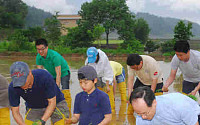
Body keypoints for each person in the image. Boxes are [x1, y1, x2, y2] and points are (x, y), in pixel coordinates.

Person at [130, 86, 200, 125]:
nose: (143, 117)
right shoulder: (141, 118)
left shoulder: (179, 105)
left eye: (145, 113)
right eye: (138, 114)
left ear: (154, 102)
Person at [35, 38, 72, 112]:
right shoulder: (38, 57)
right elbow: (40, 73)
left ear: (47, 47)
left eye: (42, 49)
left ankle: (67, 112)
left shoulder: (55, 56)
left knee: (65, 91)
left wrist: (57, 87)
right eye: (38, 49)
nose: (40, 51)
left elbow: (58, 73)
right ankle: (55, 108)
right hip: (52, 75)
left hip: (64, 72)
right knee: (51, 91)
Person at [85, 47, 115, 112]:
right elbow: (87, 73)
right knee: (96, 94)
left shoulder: (103, 58)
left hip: (104, 75)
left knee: (108, 93)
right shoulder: (88, 61)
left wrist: (107, 85)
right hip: (95, 76)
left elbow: (108, 71)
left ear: (97, 55)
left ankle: (111, 111)